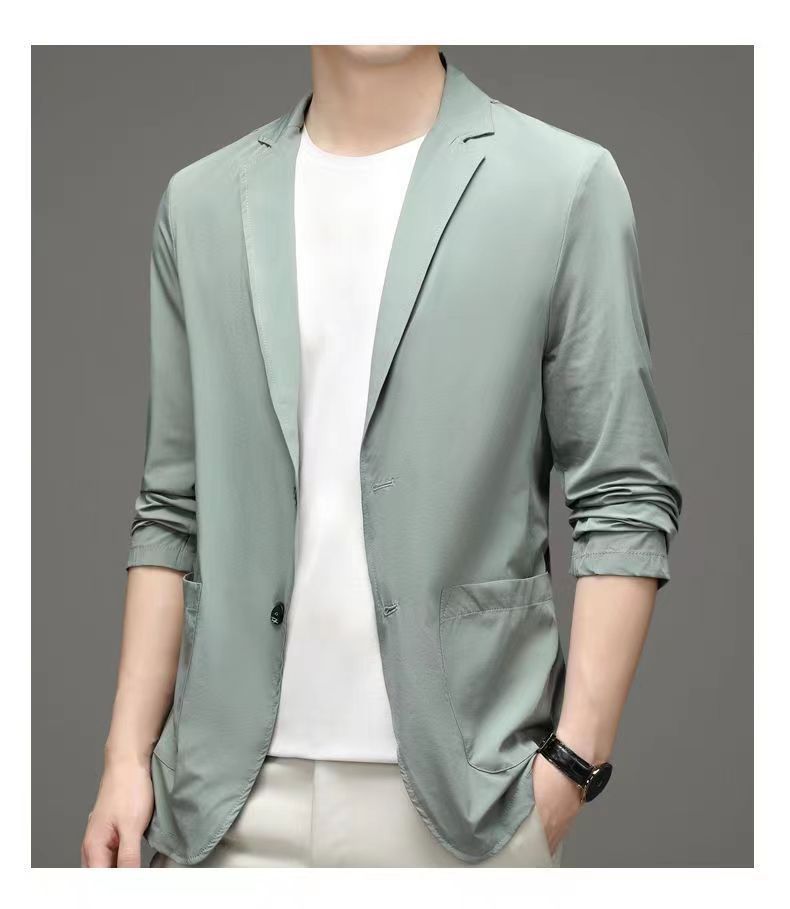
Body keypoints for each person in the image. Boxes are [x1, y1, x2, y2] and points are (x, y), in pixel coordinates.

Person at [81, 45, 682, 868]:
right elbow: (171, 509)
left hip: (467, 808)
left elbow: (623, 493)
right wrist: (125, 757)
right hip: (217, 806)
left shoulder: (563, 184)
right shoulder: (201, 202)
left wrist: (572, 765)